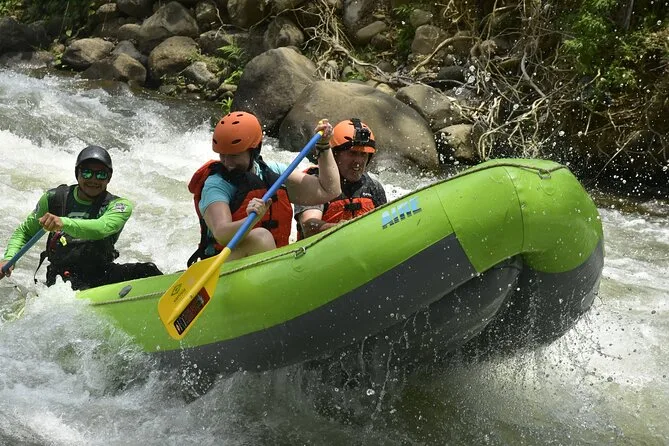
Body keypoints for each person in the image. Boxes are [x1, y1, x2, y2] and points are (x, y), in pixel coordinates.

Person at [187, 111, 341, 264]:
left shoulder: (272, 172)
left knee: (263, 237)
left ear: (254, 150)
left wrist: (324, 146)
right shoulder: (216, 185)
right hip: (222, 265)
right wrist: (252, 219)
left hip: (271, 262)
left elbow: (328, 190)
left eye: (234, 155)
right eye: (223, 155)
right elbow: (222, 234)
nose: (227, 162)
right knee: (261, 237)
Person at [0, 145, 162, 290]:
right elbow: (25, 232)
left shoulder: (119, 206)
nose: (93, 179)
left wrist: (62, 222)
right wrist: (9, 259)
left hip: (101, 275)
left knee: (148, 271)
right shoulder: (54, 199)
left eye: (101, 174)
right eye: (87, 172)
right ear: (77, 173)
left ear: (109, 178)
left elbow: (101, 228)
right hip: (61, 282)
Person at [295, 118, 387, 239]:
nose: (358, 161)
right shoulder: (314, 182)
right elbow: (309, 227)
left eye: (363, 154)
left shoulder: (373, 187)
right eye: (352, 153)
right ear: (335, 154)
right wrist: (342, 229)